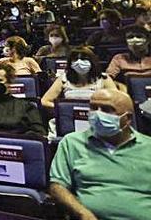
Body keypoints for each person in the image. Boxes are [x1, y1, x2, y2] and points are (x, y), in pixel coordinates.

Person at [49, 89, 151, 220]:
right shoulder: (72, 142)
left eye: (106, 109)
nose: (97, 114)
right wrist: (81, 213)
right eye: (93, 108)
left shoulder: (148, 146)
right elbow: (57, 186)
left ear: (127, 118)